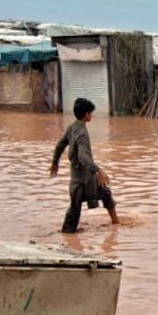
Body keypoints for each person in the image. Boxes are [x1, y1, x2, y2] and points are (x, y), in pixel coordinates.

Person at [50, 97, 119, 233]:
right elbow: (82, 156)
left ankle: (116, 223)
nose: (91, 115)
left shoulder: (72, 128)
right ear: (86, 114)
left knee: (105, 192)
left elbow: (60, 144)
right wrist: (99, 170)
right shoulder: (81, 132)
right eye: (91, 113)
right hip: (81, 183)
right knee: (73, 216)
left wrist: (55, 162)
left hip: (83, 180)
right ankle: (67, 237)